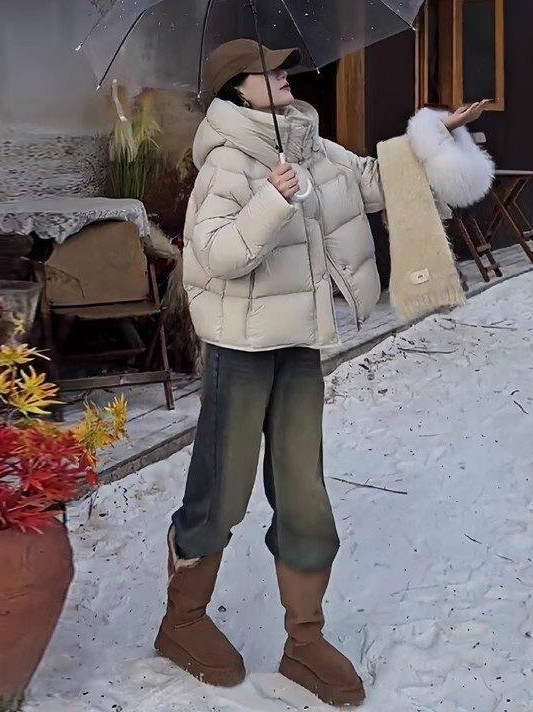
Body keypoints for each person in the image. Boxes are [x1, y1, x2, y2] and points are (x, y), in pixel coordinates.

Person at [155, 38, 487, 707]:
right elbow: (215, 255)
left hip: (299, 344)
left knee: (303, 491)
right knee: (223, 488)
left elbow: (373, 182)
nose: (284, 76)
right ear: (236, 89)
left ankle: (304, 640)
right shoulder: (225, 161)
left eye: (284, 67)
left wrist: (434, 139)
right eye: (268, 70)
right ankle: (182, 622)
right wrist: (271, 201)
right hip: (240, 349)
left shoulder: (311, 145)